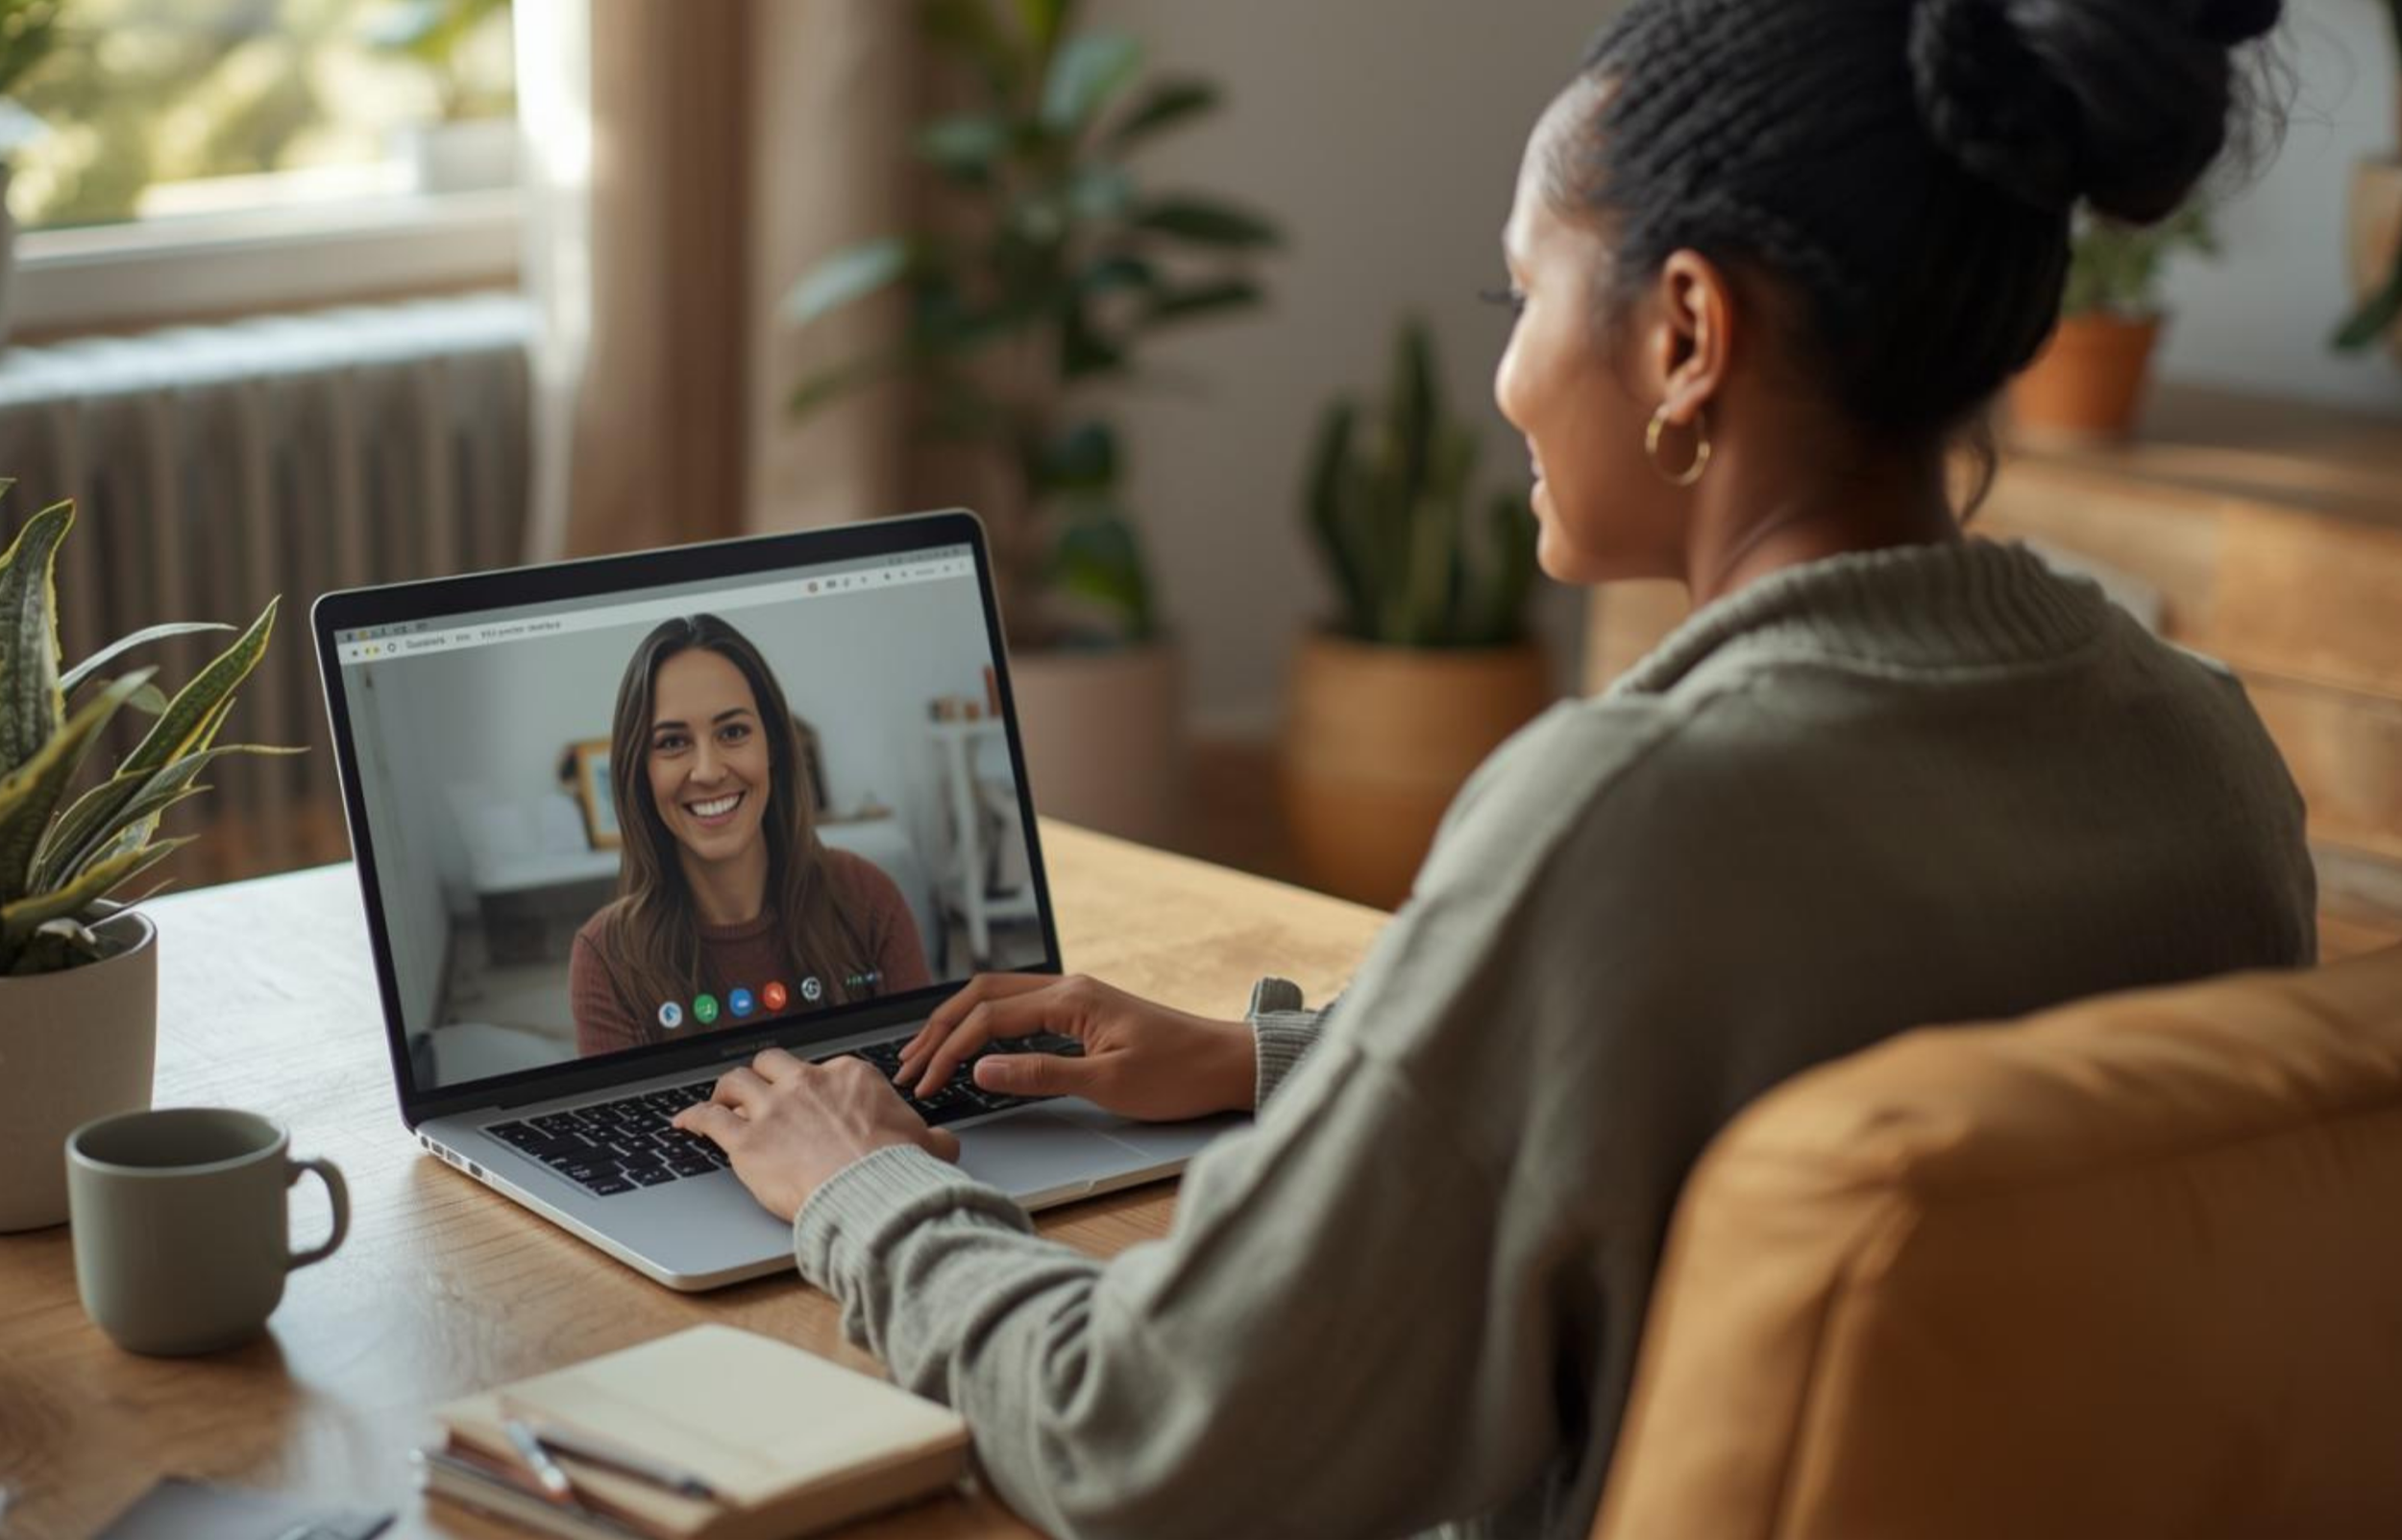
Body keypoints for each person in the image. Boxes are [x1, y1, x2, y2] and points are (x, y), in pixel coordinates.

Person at [673, 3, 2309, 1535]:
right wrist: (1291, 1066)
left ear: (1684, 332)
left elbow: (1140, 1437)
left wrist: (863, 1179)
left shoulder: (1633, 813)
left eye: (1522, 297)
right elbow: (1791, 1078)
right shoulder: (2205, 748)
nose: (1510, 372)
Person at [572, 614, 931, 1056]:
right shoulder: (606, 958)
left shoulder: (868, 898)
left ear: (773, 746)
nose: (707, 772)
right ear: (640, 771)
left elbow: (922, 1087)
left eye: (733, 732)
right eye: (671, 742)